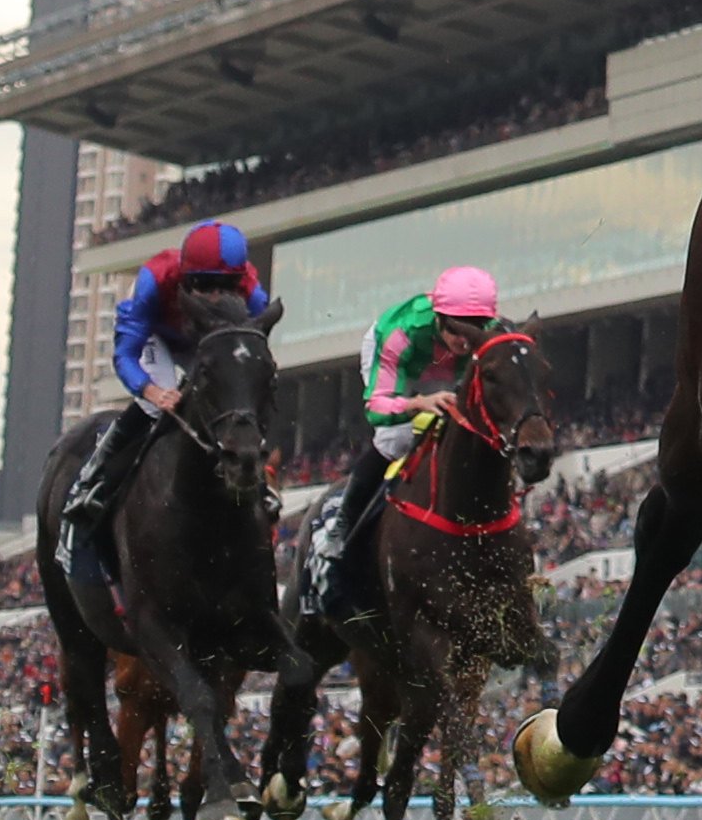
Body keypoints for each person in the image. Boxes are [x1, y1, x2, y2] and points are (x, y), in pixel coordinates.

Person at [58, 221, 270, 583]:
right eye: (203, 285)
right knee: (158, 407)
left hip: (207, 342)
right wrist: (150, 389)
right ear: (186, 278)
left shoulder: (253, 294)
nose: (215, 297)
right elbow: (125, 355)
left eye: (225, 287)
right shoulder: (154, 281)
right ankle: (91, 484)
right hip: (159, 336)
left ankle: (260, 488)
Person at [306, 264, 510, 619]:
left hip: (447, 375)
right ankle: (341, 527)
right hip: (403, 373)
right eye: (456, 328)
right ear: (439, 318)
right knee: (397, 438)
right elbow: (378, 408)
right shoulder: (401, 335)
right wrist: (417, 403)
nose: (465, 340)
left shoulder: (491, 334)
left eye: (476, 328)